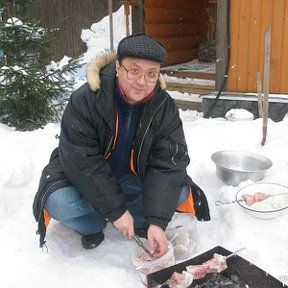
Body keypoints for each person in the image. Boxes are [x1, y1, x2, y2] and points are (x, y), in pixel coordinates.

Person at [33, 34, 210, 258]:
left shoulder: (164, 107)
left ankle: (140, 219)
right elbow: (82, 162)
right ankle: (93, 225)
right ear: (118, 67)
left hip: (132, 178)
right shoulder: (86, 99)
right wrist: (116, 211)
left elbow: (168, 164)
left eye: (151, 73)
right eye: (134, 70)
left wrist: (157, 221)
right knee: (60, 202)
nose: (142, 81)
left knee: (180, 190)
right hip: (82, 175)